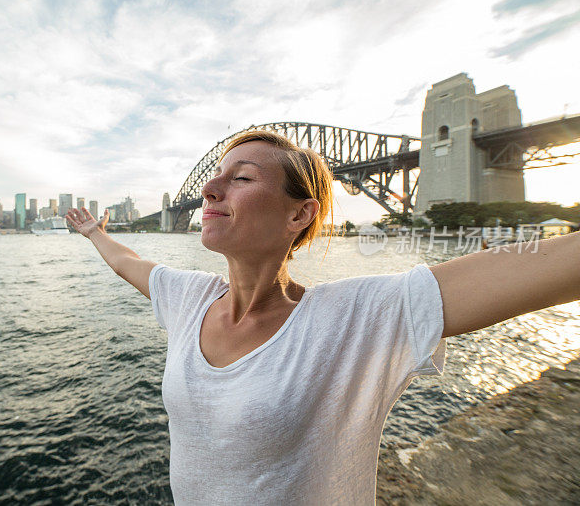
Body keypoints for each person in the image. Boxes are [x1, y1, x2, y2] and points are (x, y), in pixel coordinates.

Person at [65, 130, 580, 505]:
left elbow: (545, 270)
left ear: (299, 214)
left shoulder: (350, 319)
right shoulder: (188, 297)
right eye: (215, 177)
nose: (210, 190)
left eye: (241, 178)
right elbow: (129, 262)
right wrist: (93, 232)